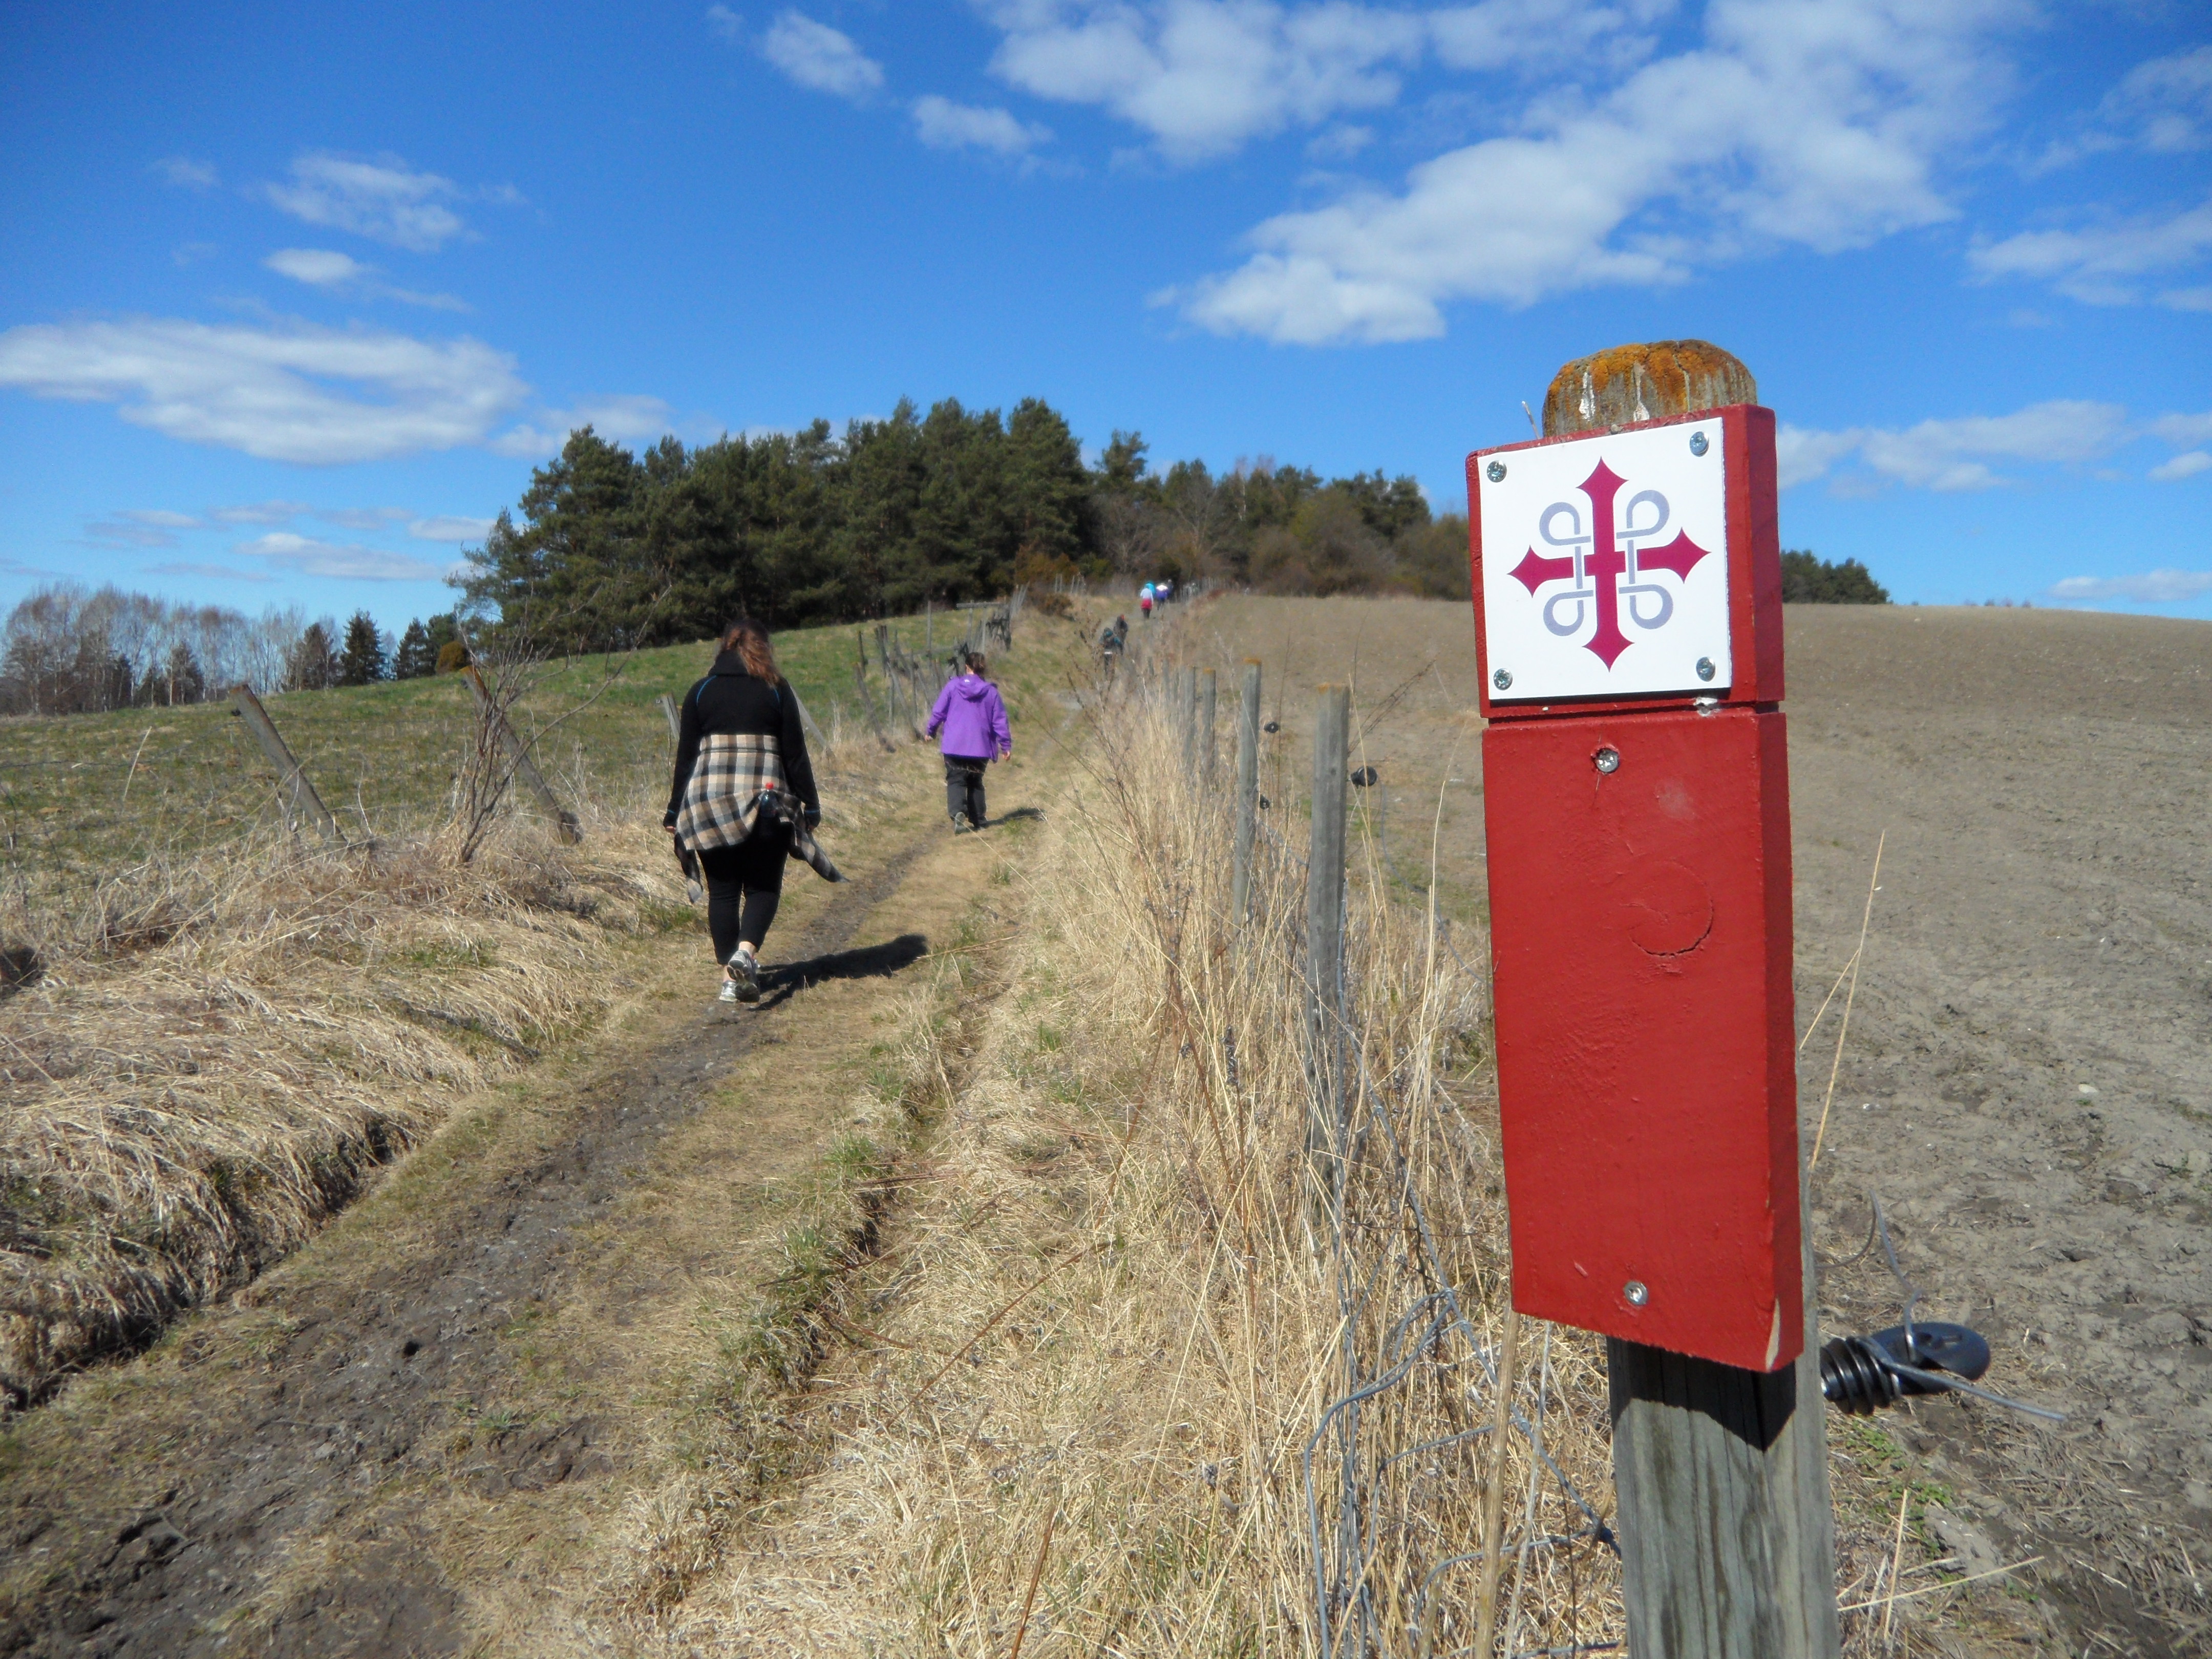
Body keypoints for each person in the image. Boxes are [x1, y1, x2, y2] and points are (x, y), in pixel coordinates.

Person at [666, 619, 838, 1004]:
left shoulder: (700, 692)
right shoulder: (776, 691)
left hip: (708, 807)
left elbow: (687, 759)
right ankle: (745, 955)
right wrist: (810, 804)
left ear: (723, 647)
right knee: (762, 887)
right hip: (766, 804)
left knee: (722, 893)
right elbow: (795, 754)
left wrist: (674, 810)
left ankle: (731, 978)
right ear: (764, 647)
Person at [926, 650, 1012, 833]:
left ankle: (958, 813)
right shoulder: (991, 692)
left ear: (966, 667)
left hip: (954, 744)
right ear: (983, 668)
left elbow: (939, 711)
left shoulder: (952, 687)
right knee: (975, 781)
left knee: (956, 780)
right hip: (980, 746)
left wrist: (931, 731)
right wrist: (1005, 745)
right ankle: (979, 819)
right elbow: (999, 721)